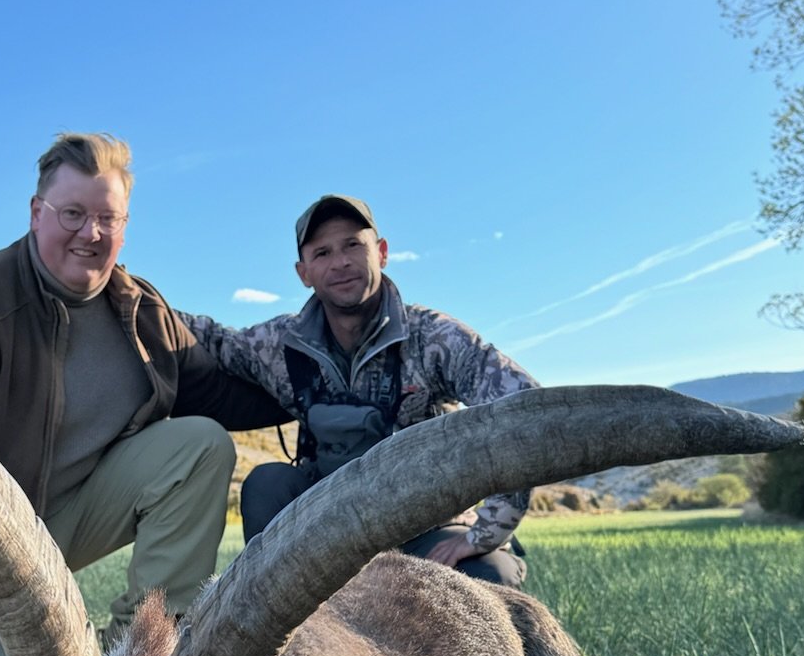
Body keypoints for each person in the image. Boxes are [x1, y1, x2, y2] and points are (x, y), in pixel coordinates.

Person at [0, 132, 288, 656]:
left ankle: (146, 652)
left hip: (64, 517)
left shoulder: (142, 311)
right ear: (37, 214)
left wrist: (318, 389)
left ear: (125, 224)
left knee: (199, 445)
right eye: (73, 214)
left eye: (107, 217)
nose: (91, 234)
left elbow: (218, 397)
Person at [182, 193, 537, 585]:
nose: (341, 262)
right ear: (304, 273)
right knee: (267, 484)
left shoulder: (434, 337)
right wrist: (123, 288)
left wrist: (485, 534)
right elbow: (209, 337)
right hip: (326, 528)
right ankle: (284, 626)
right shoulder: (279, 344)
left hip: (425, 529)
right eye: (322, 253)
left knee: (489, 573)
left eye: (353, 244)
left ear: (381, 252)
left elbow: (525, 411)